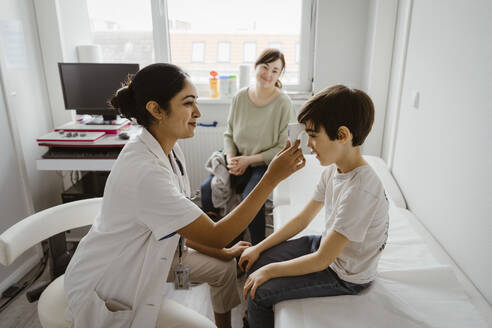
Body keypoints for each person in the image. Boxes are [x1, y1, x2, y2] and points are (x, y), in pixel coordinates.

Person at [63, 63, 305, 328]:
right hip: (111, 280)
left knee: (224, 270)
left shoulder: (170, 149)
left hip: (154, 253)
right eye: (188, 103)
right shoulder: (145, 172)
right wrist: (272, 177)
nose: (198, 113)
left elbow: (184, 225)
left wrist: (223, 253)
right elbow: (217, 234)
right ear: (156, 109)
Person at [239, 85, 390, 328]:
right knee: (257, 262)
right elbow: (303, 219)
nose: (309, 144)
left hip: (345, 275)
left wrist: (269, 272)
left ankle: (254, 318)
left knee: (261, 293)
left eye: (313, 135)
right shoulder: (334, 170)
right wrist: (259, 247)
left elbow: (322, 260)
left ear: (342, 135)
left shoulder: (361, 190)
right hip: (327, 249)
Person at [201, 48, 296, 245]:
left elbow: (282, 147)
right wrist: (230, 158)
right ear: (256, 67)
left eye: (275, 71)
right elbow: (229, 133)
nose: (268, 74)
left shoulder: (283, 103)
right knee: (206, 189)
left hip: (263, 163)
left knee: (250, 199)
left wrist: (248, 160)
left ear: (280, 74)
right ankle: (220, 242)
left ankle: (257, 248)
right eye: (265, 67)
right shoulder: (240, 97)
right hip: (236, 156)